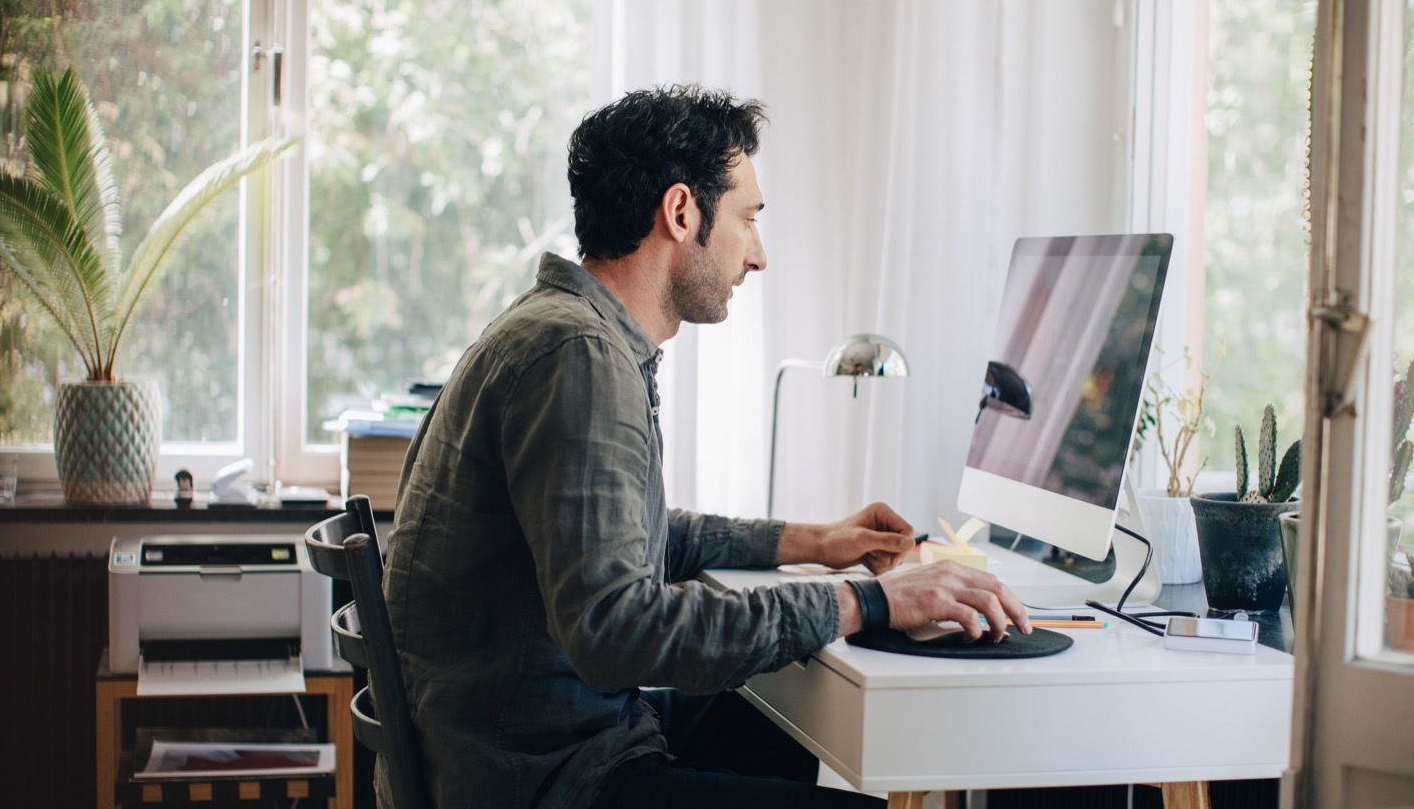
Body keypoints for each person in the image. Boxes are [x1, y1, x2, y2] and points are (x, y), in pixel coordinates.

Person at [382, 84, 1031, 809]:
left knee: (791, 725)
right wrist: (869, 601)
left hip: (538, 740)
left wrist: (816, 540)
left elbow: (638, 537)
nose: (758, 256)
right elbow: (616, 628)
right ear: (682, 211)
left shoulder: (562, 332)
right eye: (748, 221)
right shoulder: (578, 358)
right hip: (551, 778)